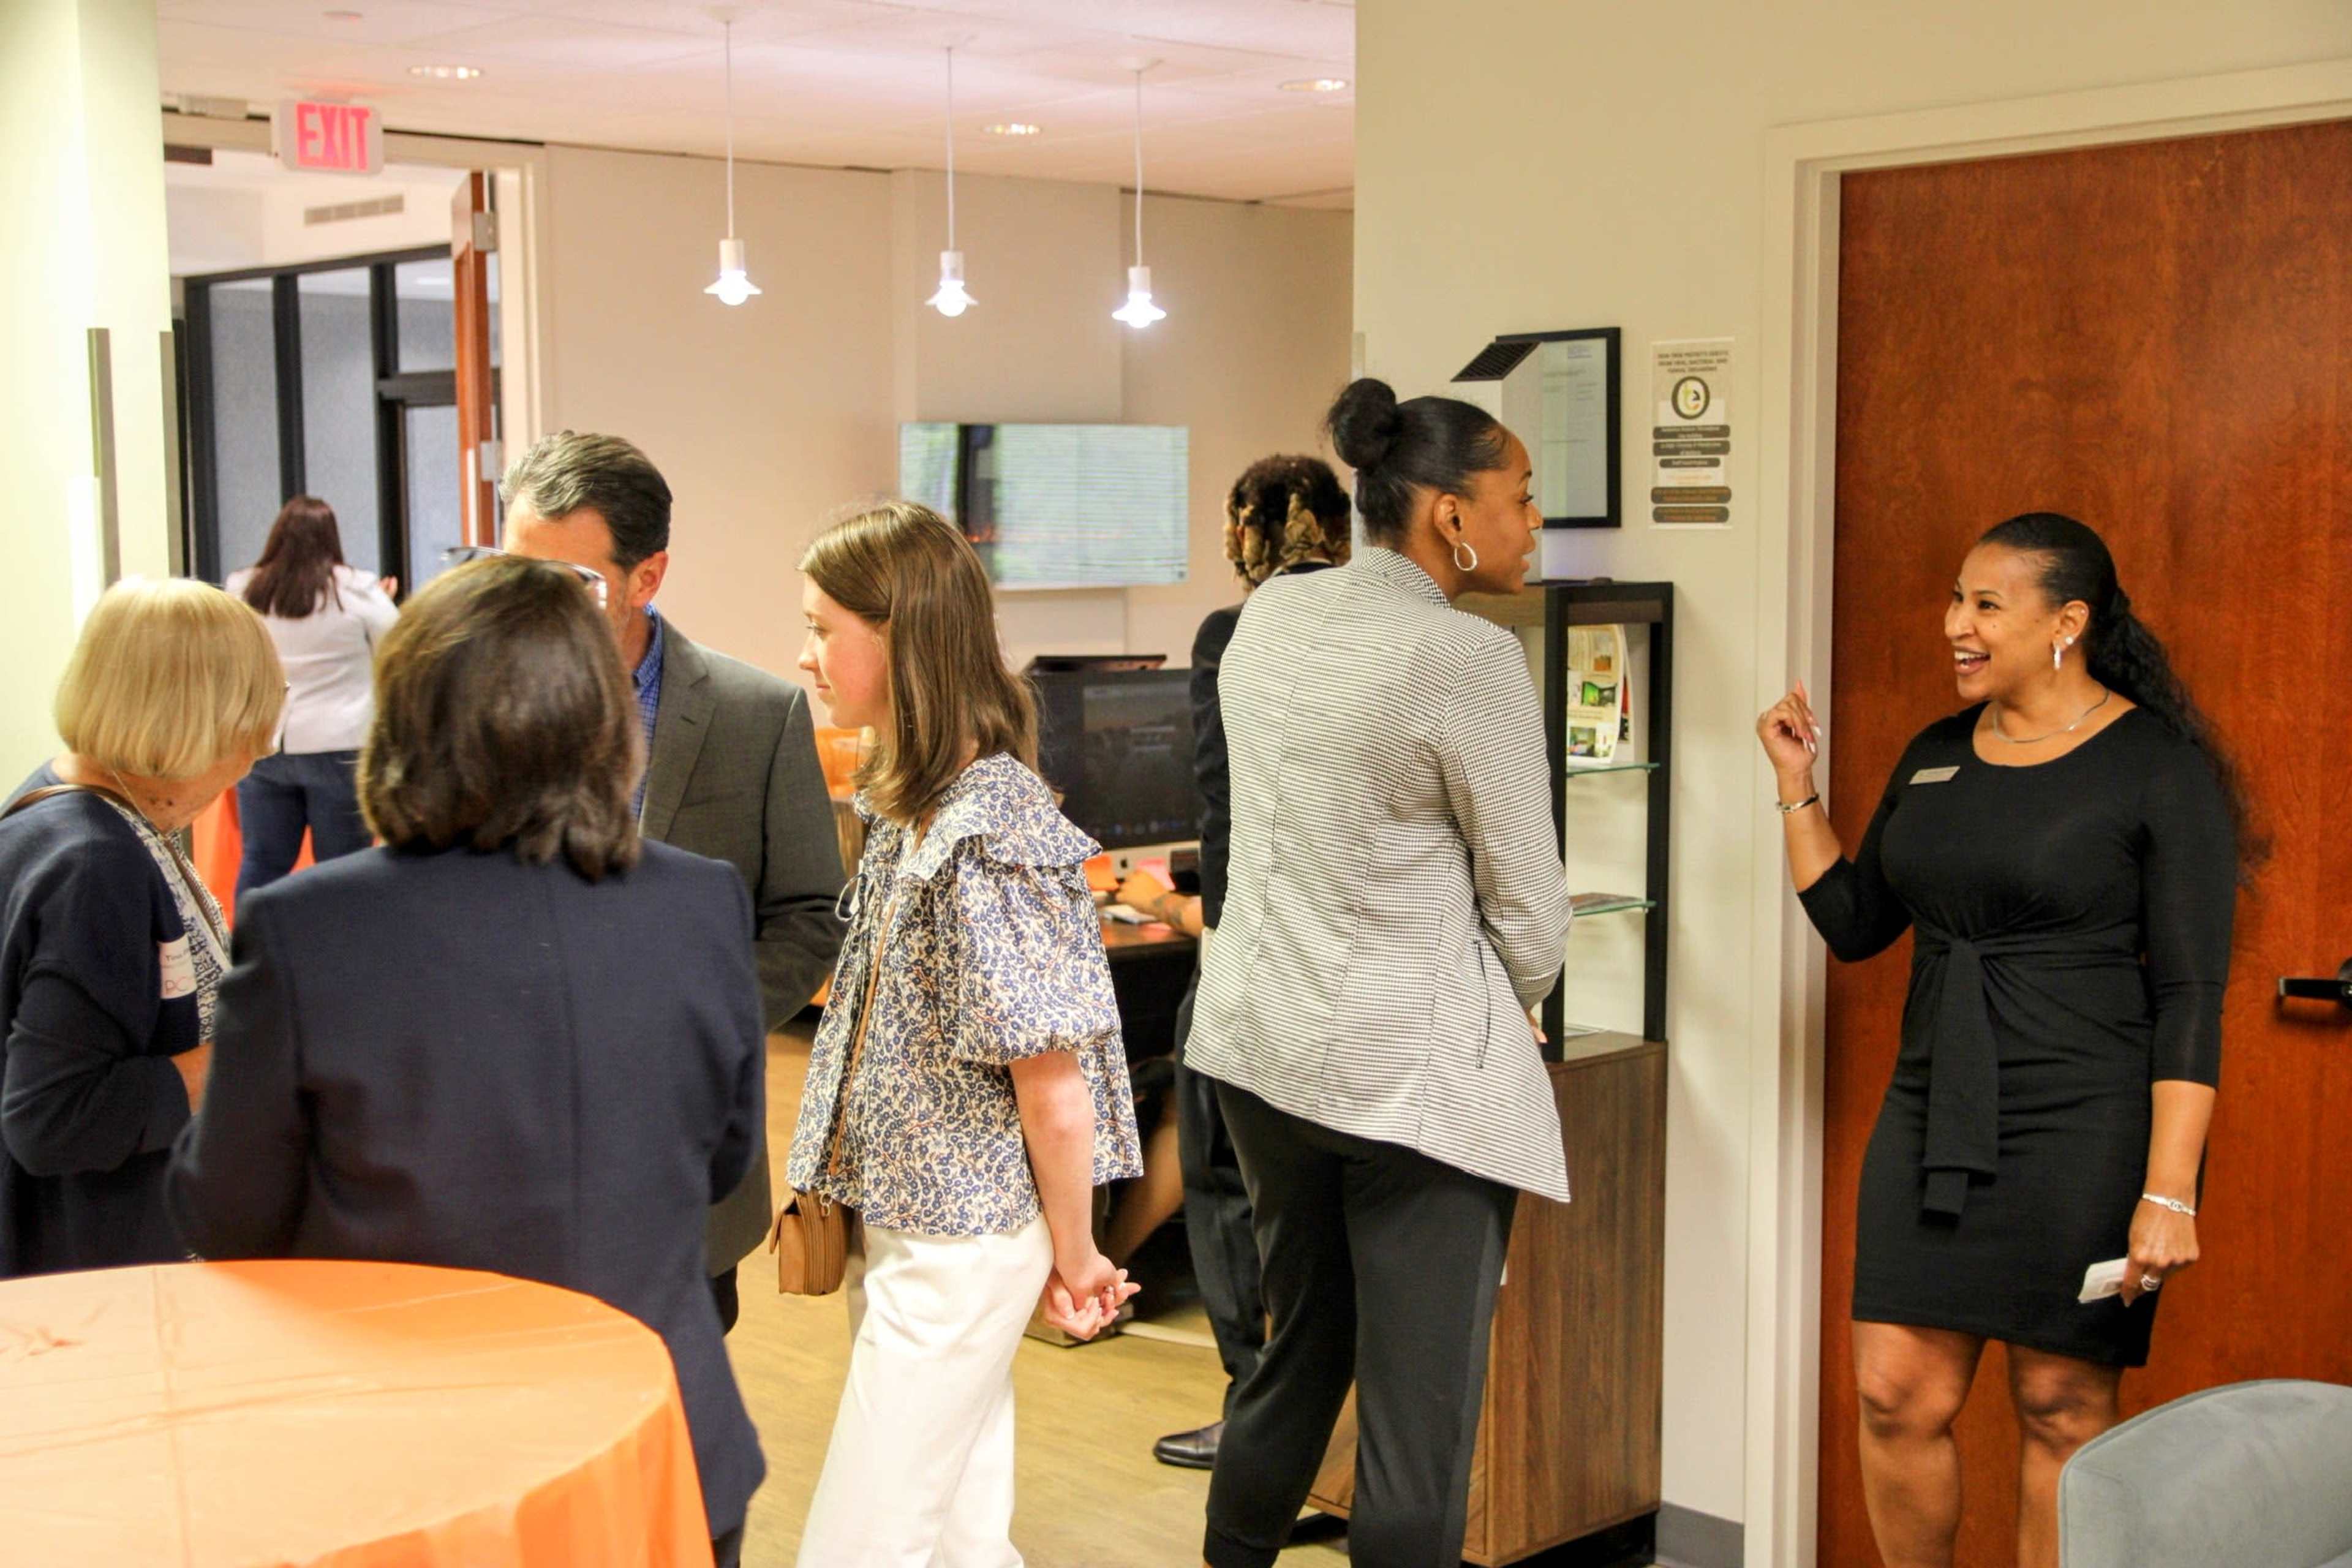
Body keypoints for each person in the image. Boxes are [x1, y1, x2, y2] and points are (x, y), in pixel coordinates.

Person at [167, 556, 767, 1567]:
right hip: (658, 1449)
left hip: (420, 1470)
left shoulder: (310, 928)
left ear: (405, 718)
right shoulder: (701, 901)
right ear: (608, 720)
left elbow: (228, 1212)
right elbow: (720, 1161)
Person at [1758, 512, 2241, 1568]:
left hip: (2085, 1124)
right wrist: (1798, 789)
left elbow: (2195, 996)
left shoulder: (2158, 769)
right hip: (1934, 1110)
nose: (1955, 626)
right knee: (1892, 1394)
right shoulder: (1938, 755)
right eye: (1954, 599)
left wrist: (2170, 1190)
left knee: (2063, 1406)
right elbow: (1854, 924)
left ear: (2067, 621)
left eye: (1986, 605)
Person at [1186, 379, 1571, 1568]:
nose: (1535, 523)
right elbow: (1535, 921)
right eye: (1522, 499)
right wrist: (1495, 988)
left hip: (1263, 1059)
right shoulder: (1466, 655)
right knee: (1419, 1425)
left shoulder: (1270, 618)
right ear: (1453, 514)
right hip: (1408, 1086)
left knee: (1299, 1350)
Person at [786, 500, 1145, 1566]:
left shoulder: (987, 826)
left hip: (960, 1241)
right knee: (953, 1533)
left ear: (901, 640)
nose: (804, 656)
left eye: (822, 628)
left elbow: (1056, 1082)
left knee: (866, 1541)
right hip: (919, 1223)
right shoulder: (920, 805)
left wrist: (1076, 1256)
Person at [500, 430, 845, 1335]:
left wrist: (702, 1020)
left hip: (682, 1167)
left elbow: (810, 917)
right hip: (509, 1167)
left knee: (680, 1448)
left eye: (569, 582)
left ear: (646, 578)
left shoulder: (754, 715)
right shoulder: (468, 706)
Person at [1120, 453, 1355, 1472]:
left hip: (1253, 960)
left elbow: (1226, 815)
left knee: (1220, 1168)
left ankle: (1259, 1413)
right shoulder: (1381, 628)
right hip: (1355, 959)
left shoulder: (1234, 634)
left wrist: (1176, 910)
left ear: (1243, 536)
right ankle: (1330, 1418)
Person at [1, 579, 283, 1278]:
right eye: (245, 739)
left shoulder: (63, 804)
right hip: (88, 1273)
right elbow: (52, 1117)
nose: (249, 763)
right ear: (197, 724)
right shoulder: (95, 866)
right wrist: (248, 1056)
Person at [228, 496, 398, 903]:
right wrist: (385, 599)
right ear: (331, 538)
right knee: (341, 867)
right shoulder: (355, 590)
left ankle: (249, 952)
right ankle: (338, 955)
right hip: (340, 746)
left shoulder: (245, 588)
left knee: (264, 860)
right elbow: (398, 645)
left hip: (265, 743)